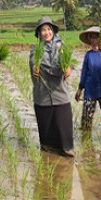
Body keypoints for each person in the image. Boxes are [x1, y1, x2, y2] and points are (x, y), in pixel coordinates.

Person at [29, 16, 74, 157]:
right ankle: (48, 163)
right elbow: (34, 64)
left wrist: (68, 68)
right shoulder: (35, 50)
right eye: (43, 30)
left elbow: (69, 63)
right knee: (47, 144)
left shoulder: (62, 47)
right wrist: (35, 68)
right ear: (39, 34)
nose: (46, 32)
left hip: (60, 95)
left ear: (53, 31)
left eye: (49, 29)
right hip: (42, 97)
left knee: (65, 140)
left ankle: (67, 159)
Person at [75, 26, 101, 137]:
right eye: (92, 37)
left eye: (97, 37)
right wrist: (80, 88)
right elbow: (84, 73)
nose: (94, 40)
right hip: (90, 91)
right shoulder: (88, 55)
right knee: (86, 122)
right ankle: (86, 144)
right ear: (89, 39)